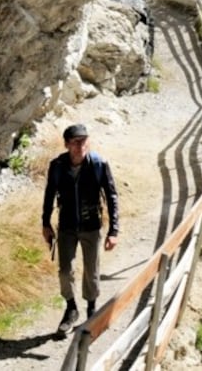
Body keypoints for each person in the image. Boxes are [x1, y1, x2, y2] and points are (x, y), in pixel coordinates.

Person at [42, 123, 120, 335]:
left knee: (91, 271)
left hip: (91, 226)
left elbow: (112, 196)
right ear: (67, 144)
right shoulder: (57, 166)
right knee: (65, 271)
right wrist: (45, 223)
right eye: (76, 142)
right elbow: (49, 194)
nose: (80, 145)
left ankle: (92, 310)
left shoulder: (99, 164)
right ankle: (71, 309)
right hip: (66, 225)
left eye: (83, 141)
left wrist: (114, 231)